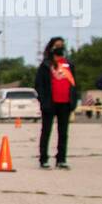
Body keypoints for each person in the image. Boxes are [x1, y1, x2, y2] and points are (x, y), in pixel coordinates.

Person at [35, 36, 78, 170]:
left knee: (63, 132)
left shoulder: (69, 64)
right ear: (52, 47)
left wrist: (73, 100)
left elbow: (74, 84)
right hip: (50, 103)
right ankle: (44, 159)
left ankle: (61, 159)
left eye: (62, 45)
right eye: (57, 45)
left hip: (65, 103)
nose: (60, 47)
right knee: (46, 131)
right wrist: (43, 100)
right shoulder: (46, 65)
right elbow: (39, 84)